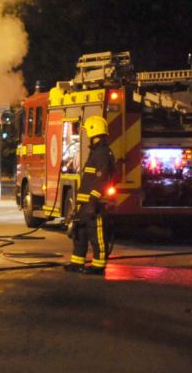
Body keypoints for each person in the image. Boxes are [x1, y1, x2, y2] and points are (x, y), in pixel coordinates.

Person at [66, 115, 114, 275]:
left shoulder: (102, 153)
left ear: (94, 130)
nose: (85, 133)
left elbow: (101, 181)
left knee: (96, 235)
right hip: (85, 203)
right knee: (80, 234)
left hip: (95, 204)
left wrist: (93, 202)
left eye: (86, 130)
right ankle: (77, 262)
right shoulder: (95, 152)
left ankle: (98, 266)